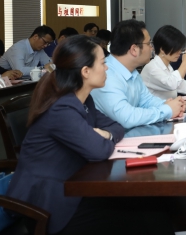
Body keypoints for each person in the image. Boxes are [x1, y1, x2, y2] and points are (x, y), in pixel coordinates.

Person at [5, 35, 176, 235]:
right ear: (85, 71)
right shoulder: (62, 108)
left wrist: (105, 134)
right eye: (102, 63)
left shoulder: (84, 100)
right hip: (50, 205)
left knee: (152, 205)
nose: (107, 68)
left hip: (76, 186)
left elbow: (116, 127)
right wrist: (103, 138)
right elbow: (99, 150)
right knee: (149, 215)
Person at [91, 20, 185, 129]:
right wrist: (167, 110)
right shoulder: (106, 74)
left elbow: (146, 100)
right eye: (149, 44)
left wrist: (169, 105)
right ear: (134, 49)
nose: (152, 48)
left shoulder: (132, 72)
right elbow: (127, 117)